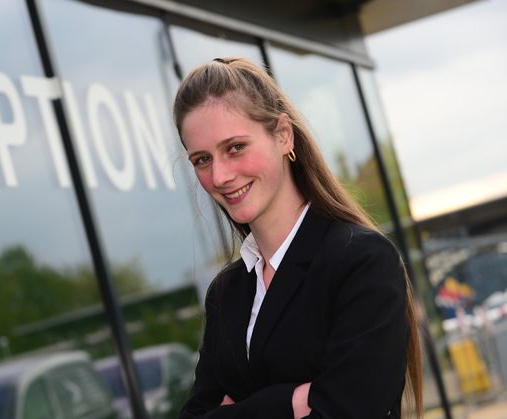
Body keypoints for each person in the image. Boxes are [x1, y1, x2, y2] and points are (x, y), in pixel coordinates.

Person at [173, 57, 422, 419]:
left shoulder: (361, 261)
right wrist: (292, 402)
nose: (221, 175)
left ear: (283, 135)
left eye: (235, 148)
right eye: (201, 159)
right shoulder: (226, 294)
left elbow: (352, 410)